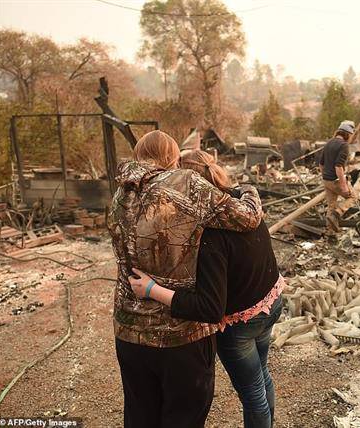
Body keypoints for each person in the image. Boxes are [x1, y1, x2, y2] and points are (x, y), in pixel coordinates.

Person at [108, 131, 263, 428]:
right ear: (172, 158)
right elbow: (247, 218)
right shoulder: (184, 183)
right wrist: (250, 192)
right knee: (184, 418)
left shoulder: (118, 194)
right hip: (180, 334)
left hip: (129, 330)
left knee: (140, 416)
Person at [319, 120, 357, 236]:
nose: (351, 138)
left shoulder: (329, 143)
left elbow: (321, 164)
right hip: (336, 180)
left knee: (331, 205)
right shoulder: (344, 145)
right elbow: (339, 167)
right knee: (354, 197)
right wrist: (343, 185)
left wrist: (326, 177)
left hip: (326, 180)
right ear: (347, 134)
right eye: (351, 135)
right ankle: (338, 213)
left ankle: (330, 231)